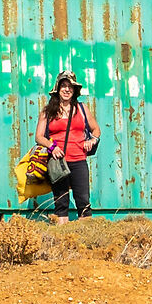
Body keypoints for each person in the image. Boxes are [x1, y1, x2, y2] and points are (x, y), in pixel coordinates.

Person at [39, 72, 100, 220]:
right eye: (63, 86)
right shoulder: (48, 111)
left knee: (84, 203)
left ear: (74, 90)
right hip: (58, 163)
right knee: (61, 205)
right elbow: (39, 136)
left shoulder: (82, 108)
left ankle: (86, 233)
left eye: (70, 86)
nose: (67, 89)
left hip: (79, 161)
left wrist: (91, 140)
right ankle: (62, 233)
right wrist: (52, 147)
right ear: (57, 89)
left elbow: (96, 130)